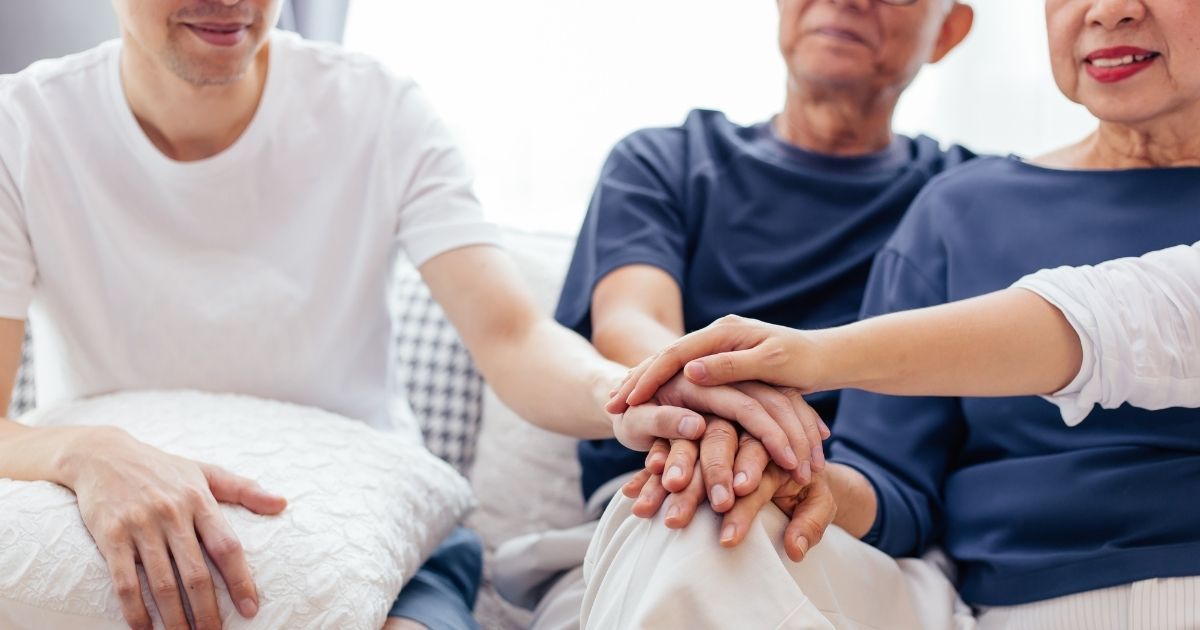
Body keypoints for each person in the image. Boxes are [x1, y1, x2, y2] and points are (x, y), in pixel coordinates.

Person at [0, 1, 819, 628]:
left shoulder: (377, 110)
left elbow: (515, 336)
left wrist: (645, 392)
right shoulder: (24, 128)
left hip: (386, 533)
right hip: (111, 513)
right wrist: (88, 451)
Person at [581, 0, 1200, 628]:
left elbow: (1114, 321)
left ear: (951, 30)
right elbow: (893, 478)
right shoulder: (962, 206)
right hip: (1015, 602)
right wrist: (789, 471)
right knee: (710, 522)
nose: (1110, 11)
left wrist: (797, 367)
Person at [493, 0, 977, 626]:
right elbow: (630, 323)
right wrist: (728, 415)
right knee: (692, 524)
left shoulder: (961, 199)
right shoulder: (663, 162)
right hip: (647, 509)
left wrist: (787, 468)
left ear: (950, 29)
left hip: (852, 539)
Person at [612, 239, 1200, 428]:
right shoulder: (961, 203)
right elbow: (1132, 314)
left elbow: (1143, 317)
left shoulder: (949, 183)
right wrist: (706, 396)